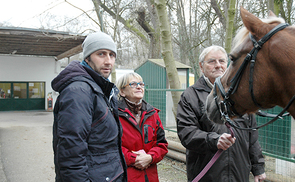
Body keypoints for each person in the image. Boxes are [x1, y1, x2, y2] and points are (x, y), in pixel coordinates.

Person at [176, 45, 266, 182]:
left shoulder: (241, 95)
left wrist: (258, 168)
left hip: (239, 174)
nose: (218, 65)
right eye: (212, 61)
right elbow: (186, 133)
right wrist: (214, 140)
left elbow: (251, 136)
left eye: (222, 61)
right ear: (201, 66)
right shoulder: (190, 96)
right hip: (206, 175)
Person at [51, 32, 127, 182]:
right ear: (87, 57)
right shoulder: (79, 91)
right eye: (101, 54)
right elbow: (71, 152)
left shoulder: (101, 88)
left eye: (112, 55)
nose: (108, 61)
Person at [116, 72, 168, 182]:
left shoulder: (152, 114)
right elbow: (111, 147)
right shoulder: (114, 115)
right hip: (126, 176)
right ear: (122, 91)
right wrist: (134, 159)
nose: (139, 86)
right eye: (133, 84)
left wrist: (150, 157)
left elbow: (162, 144)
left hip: (150, 177)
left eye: (141, 84)